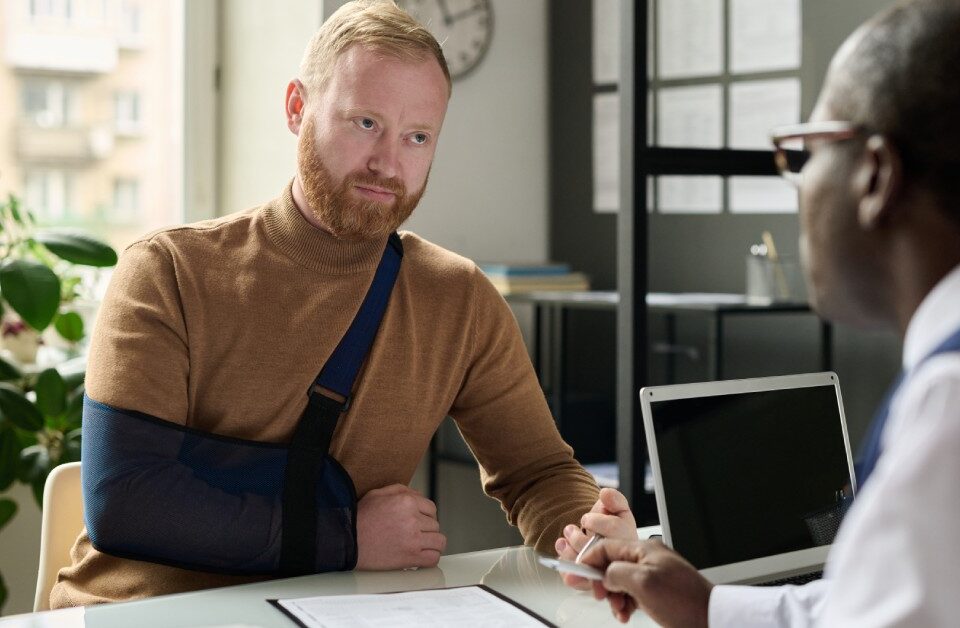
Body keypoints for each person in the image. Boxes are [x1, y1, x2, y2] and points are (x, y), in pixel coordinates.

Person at [50, 0, 624, 608]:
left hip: (329, 614)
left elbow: (539, 473)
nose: (388, 163)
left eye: (418, 136)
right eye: (365, 123)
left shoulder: (458, 298)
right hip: (138, 615)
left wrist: (590, 534)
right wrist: (345, 539)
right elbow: (127, 502)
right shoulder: (166, 272)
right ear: (298, 109)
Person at [566, 0, 960, 625]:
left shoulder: (949, 402)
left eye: (805, 154)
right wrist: (707, 604)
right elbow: (868, 605)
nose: (799, 191)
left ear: (876, 176)